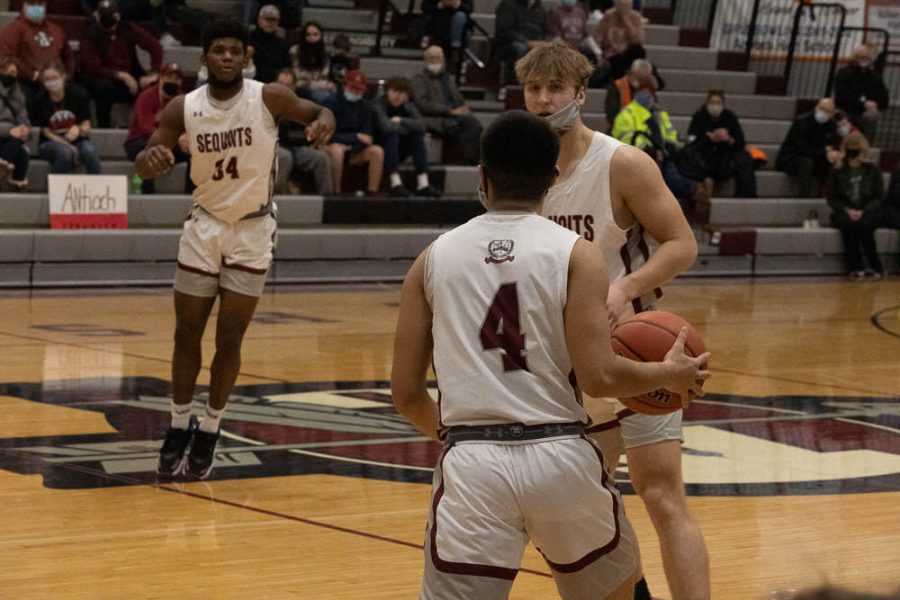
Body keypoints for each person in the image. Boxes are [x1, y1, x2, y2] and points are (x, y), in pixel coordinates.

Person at [391, 109, 709, 600]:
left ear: (481, 175)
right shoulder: (576, 253)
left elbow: (407, 393)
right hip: (561, 456)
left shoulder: (431, 259)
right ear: (553, 178)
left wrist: (463, 438)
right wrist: (668, 373)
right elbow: (600, 377)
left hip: (473, 464)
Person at [517, 42, 710, 600]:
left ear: (580, 94)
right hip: (562, 364)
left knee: (661, 495)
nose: (543, 98)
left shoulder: (621, 163)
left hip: (634, 353)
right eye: (534, 88)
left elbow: (682, 244)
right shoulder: (513, 169)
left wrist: (624, 286)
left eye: (555, 88)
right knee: (584, 507)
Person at [136, 18, 335, 480]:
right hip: (204, 226)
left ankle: (210, 427)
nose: (226, 57)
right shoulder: (182, 107)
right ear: (203, 59)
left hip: (251, 230)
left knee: (230, 338)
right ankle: (177, 423)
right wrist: (153, 160)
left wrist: (324, 125)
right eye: (217, 51)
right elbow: (145, 165)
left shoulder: (269, 96)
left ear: (246, 57)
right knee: (186, 334)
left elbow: (320, 113)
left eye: (233, 51)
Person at [612, 74, 708, 222]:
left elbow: (670, 135)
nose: (649, 96)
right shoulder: (627, 114)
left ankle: (697, 187)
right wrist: (650, 151)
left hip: (664, 156)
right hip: (640, 160)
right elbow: (624, 139)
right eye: (646, 92)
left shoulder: (659, 114)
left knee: (681, 162)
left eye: (651, 93)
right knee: (664, 173)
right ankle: (694, 190)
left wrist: (670, 147)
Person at [80, 0, 163, 128]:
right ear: (96, 15)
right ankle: (104, 127)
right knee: (103, 89)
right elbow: (93, 67)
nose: (108, 16)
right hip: (102, 79)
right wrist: (119, 75)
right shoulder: (90, 34)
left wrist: (154, 72)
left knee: (153, 85)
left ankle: (145, 126)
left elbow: (155, 46)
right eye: (103, 13)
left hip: (130, 76)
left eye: (111, 13)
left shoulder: (128, 28)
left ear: (118, 15)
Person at [826, 131, 885, 280]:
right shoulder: (837, 170)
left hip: (868, 211)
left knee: (865, 226)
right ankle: (854, 266)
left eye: (855, 147)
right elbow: (832, 198)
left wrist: (864, 210)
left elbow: (879, 196)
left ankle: (874, 265)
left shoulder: (873, 170)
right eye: (850, 147)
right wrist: (847, 210)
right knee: (848, 225)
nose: (853, 150)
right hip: (844, 211)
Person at [124, 63, 190, 194]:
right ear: (160, 78)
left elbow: (189, 125)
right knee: (149, 150)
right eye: (169, 78)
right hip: (139, 141)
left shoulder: (183, 100)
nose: (172, 82)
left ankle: (192, 196)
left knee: (194, 150)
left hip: (171, 144)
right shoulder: (146, 97)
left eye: (176, 79)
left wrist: (185, 138)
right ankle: (148, 195)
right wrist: (173, 139)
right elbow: (145, 128)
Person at [410, 45, 482, 165]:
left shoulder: (448, 79)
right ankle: (471, 160)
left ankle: (472, 159)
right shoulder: (419, 79)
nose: (435, 61)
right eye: (432, 58)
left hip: (454, 116)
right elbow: (422, 104)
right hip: (435, 118)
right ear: (426, 60)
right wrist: (449, 111)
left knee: (473, 123)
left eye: (438, 58)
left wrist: (464, 108)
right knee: (471, 125)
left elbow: (459, 99)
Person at [373, 76, 440, 198]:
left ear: (407, 95)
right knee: (393, 135)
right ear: (387, 91)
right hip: (381, 147)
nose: (397, 96)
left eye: (402, 93)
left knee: (417, 136)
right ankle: (395, 182)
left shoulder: (408, 106)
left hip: (398, 149)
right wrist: (407, 128)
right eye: (394, 91)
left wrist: (401, 120)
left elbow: (422, 126)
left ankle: (423, 183)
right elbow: (386, 126)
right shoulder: (378, 104)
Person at [29, 61, 101, 175]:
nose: (51, 82)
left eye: (54, 77)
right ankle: (58, 188)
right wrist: (67, 145)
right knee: (64, 152)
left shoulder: (78, 95)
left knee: (89, 151)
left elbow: (86, 125)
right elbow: (46, 131)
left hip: (78, 140)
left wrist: (78, 129)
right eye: (47, 79)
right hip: (49, 142)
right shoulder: (39, 100)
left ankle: (99, 187)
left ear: (63, 77)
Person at [685, 89, 757, 198]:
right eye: (712, 103)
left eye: (718, 103)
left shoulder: (730, 117)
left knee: (744, 158)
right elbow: (691, 142)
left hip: (724, 156)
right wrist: (710, 138)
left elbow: (740, 142)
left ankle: (747, 194)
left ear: (723, 104)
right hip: (703, 156)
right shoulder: (699, 117)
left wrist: (728, 140)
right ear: (707, 104)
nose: (715, 106)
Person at [323, 69, 383, 196]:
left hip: (354, 149)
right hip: (331, 146)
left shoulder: (366, 106)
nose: (355, 92)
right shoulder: (331, 102)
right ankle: (337, 192)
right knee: (337, 150)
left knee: (377, 152)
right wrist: (355, 137)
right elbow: (328, 135)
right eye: (353, 88)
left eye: (359, 89)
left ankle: (373, 192)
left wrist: (354, 142)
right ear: (345, 85)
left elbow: (368, 137)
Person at [273, 68, 332, 195]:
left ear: (294, 87)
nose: (283, 88)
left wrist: (311, 132)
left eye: (287, 86)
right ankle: (277, 199)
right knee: (285, 157)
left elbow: (310, 130)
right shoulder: (269, 100)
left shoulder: (304, 101)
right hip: (276, 147)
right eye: (280, 85)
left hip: (299, 147)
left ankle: (327, 200)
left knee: (321, 157)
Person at [0, 0, 75, 98]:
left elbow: (68, 56)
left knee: (80, 95)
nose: (36, 7)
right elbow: (7, 58)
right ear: (24, 6)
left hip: (57, 78)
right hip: (28, 81)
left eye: (40, 4)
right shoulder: (13, 29)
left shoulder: (56, 30)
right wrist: (32, 75)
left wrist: (67, 76)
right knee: (31, 96)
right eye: (32, 4)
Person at [776, 97, 840, 198]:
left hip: (815, 156)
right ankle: (804, 197)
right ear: (816, 107)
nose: (823, 113)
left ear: (832, 114)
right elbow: (801, 149)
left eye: (827, 111)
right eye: (821, 108)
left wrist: (832, 154)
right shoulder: (802, 121)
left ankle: (827, 195)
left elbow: (831, 145)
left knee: (834, 161)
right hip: (792, 157)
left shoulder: (832, 126)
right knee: (807, 162)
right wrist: (824, 152)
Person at [833, 44, 889, 143]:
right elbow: (843, 95)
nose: (863, 60)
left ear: (871, 59)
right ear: (854, 57)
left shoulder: (875, 77)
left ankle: (866, 148)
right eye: (860, 57)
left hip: (864, 113)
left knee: (872, 117)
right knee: (841, 118)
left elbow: (884, 99)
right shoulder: (844, 73)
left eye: (866, 57)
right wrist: (863, 102)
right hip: (846, 110)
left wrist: (876, 105)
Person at [592, 0, 646, 82]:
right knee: (617, 61)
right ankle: (620, 83)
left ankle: (635, 78)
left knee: (639, 50)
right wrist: (599, 52)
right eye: (621, 5)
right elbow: (598, 36)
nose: (624, 8)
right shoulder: (609, 15)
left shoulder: (635, 16)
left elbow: (638, 39)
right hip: (612, 53)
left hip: (628, 51)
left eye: (626, 6)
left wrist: (627, 22)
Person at [494, 0, 547, 83]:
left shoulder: (539, 9)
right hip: (508, 44)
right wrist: (526, 42)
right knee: (520, 48)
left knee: (551, 49)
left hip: (533, 42)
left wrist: (543, 42)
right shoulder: (507, 5)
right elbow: (504, 31)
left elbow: (543, 30)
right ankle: (514, 82)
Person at [0, 55, 30, 190]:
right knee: (18, 145)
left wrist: (25, 128)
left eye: (15, 73)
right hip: (4, 132)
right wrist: (9, 130)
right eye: (9, 72)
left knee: (22, 150)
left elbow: (23, 115)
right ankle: (16, 180)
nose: (12, 76)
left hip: (12, 137)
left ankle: (14, 180)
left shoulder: (18, 93)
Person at [290, 21, 335, 104]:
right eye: (308, 35)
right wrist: (320, 85)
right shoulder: (295, 51)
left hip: (322, 88)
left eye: (315, 35)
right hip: (302, 89)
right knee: (328, 99)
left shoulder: (325, 53)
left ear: (320, 36)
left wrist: (328, 85)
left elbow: (324, 76)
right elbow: (298, 78)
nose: (312, 38)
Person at [421, 0, 472, 70]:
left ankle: (456, 49)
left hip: (458, 26)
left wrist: (458, 4)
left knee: (460, 17)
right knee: (442, 19)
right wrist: (441, 5)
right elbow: (425, 7)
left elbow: (469, 9)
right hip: (437, 23)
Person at [249, 4, 290, 84]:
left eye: (273, 20)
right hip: (254, 82)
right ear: (259, 20)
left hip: (277, 84)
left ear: (278, 22)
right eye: (267, 19)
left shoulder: (281, 43)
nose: (270, 22)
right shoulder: (249, 40)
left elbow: (287, 66)